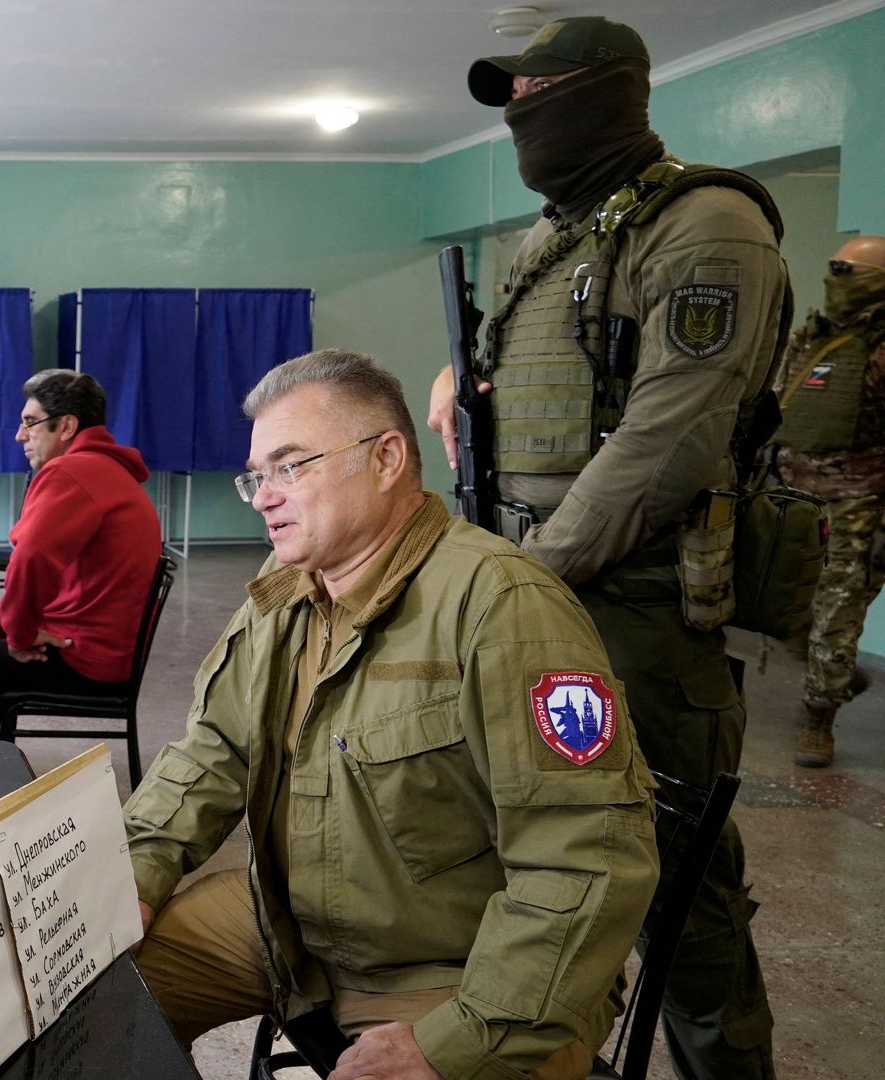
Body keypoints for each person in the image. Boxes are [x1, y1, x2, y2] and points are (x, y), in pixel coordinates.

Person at [127, 351, 658, 1079]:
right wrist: (137, 870)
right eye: (258, 475)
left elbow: (587, 860)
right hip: (294, 929)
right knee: (94, 992)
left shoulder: (503, 606)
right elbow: (214, 748)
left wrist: (455, 1043)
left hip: (457, 971)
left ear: (386, 459)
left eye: (291, 467)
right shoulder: (288, 584)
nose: (263, 497)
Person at [429, 18, 788, 1076]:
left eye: (543, 86)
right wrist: (469, 389)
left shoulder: (707, 224)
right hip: (539, 593)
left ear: (614, 93)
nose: (520, 107)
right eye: (511, 91)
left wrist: (520, 586)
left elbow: (668, 443)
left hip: (630, 609)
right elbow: (567, 397)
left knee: (678, 883)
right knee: (525, 848)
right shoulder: (555, 240)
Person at [0, 369, 161, 740]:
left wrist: (19, 638)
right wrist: (1, 625)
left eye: (30, 423)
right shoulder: (110, 469)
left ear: (66, 426)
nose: (20, 435)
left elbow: (31, 559)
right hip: (109, 649)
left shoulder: (71, 471)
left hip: (82, 658)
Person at [773, 236, 885, 767]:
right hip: (792, 499)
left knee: (837, 610)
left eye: (848, 270)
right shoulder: (808, 339)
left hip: (859, 504)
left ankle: (819, 716)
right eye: (832, 266)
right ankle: (831, 668)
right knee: (788, 606)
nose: (834, 277)